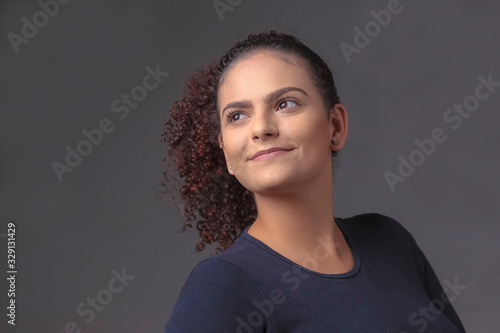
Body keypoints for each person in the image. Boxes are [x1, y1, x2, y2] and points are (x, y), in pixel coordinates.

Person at [158, 30, 466, 332]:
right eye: (237, 116)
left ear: (336, 125)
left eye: (285, 104)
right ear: (226, 152)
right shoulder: (222, 286)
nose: (261, 128)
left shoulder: (390, 241)